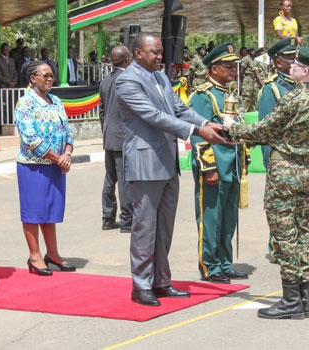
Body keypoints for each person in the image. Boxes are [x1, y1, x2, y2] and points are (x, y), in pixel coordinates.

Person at [116, 32, 226, 306]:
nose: (159, 57)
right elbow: (153, 116)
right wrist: (196, 131)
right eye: (154, 52)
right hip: (145, 164)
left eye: (160, 52)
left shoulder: (161, 77)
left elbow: (178, 108)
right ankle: (141, 286)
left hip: (167, 162)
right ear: (138, 53)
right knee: (145, 228)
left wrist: (207, 123)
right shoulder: (127, 80)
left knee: (164, 227)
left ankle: (161, 281)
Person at [223, 46, 309, 320]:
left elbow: (265, 128)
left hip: (284, 168)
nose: (291, 66)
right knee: (302, 232)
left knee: (285, 235)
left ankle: (291, 299)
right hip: (304, 168)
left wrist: (231, 127)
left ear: (305, 70)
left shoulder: (295, 99)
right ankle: (304, 297)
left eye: (296, 63)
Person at [189, 42, 247, 284]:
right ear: (213, 68)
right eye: (228, 65)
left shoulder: (229, 93)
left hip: (233, 165)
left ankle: (224, 262)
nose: (233, 69)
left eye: (234, 65)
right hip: (215, 166)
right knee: (211, 219)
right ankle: (210, 265)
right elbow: (197, 133)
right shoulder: (203, 95)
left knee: (227, 219)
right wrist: (209, 167)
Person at [14, 61, 76, 276]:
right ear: (33, 78)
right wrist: (58, 158)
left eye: (51, 75)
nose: (50, 79)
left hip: (56, 164)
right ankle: (35, 256)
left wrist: (67, 153)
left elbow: (68, 130)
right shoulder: (25, 104)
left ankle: (53, 254)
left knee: (50, 211)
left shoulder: (56, 101)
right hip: (33, 167)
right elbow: (30, 138)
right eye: (45, 75)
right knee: (33, 211)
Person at [257, 37, 298, 261]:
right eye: (289, 58)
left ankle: (293, 244)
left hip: (298, 157)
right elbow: (266, 128)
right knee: (280, 206)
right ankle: (278, 247)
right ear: (278, 61)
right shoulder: (271, 89)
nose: (294, 62)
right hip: (279, 157)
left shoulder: (298, 85)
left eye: (295, 57)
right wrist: (270, 161)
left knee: (296, 206)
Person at [99, 46, 133, 233]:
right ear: (127, 59)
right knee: (124, 178)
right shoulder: (127, 80)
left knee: (110, 178)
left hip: (109, 135)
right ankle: (127, 219)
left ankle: (108, 217)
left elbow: (102, 111)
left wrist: (106, 129)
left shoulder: (105, 81)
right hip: (123, 136)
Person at [0, 42, 18, 134]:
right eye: (5, 49)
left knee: (12, 106)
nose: (6, 51)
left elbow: (15, 72)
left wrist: (14, 82)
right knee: (2, 108)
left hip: (12, 88)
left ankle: (12, 125)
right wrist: (8, 82)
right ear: (1, 50)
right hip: (2, 87)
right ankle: (0, 128)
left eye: (8, 49)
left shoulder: (11, 60)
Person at [241, 47, 261, 111]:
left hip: (254, 79)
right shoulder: (246, 59)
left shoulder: (254, 59)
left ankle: (250, 112)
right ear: (248, 52)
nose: (253, 52)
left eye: (253, 50)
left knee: (253, 97)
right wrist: (241, 81)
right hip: (248, 79)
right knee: (246, 97)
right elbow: (242, 71)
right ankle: (243, 112)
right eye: (251, 50)